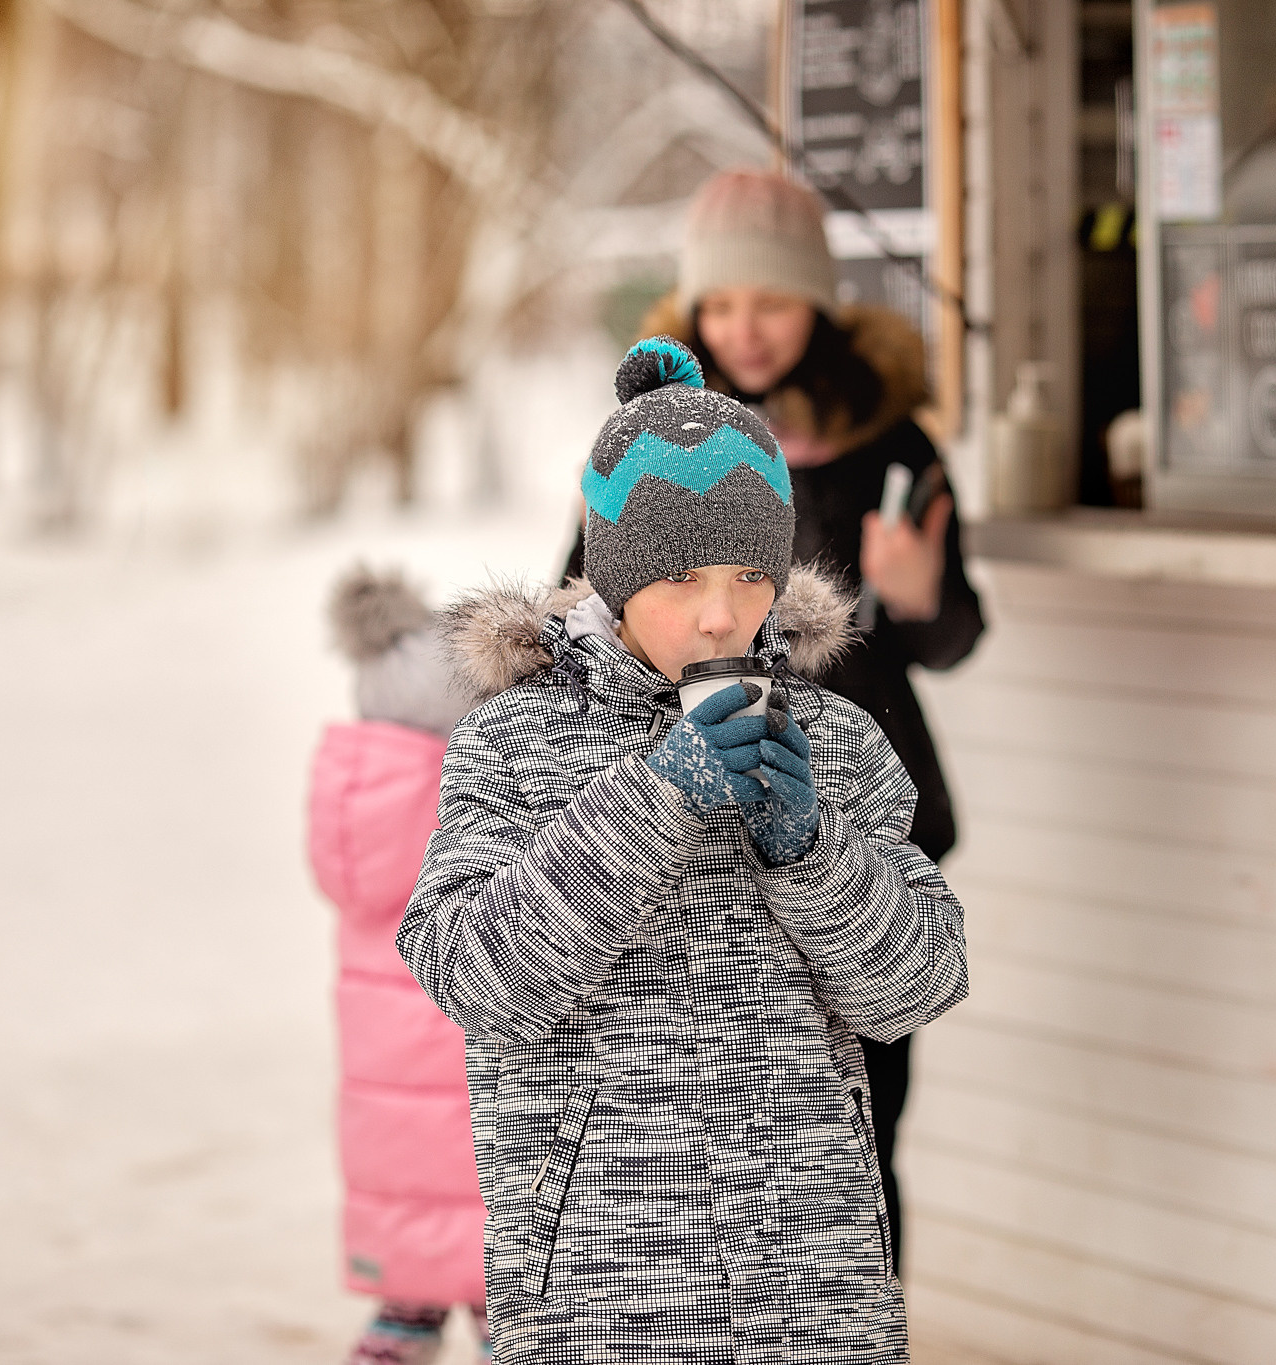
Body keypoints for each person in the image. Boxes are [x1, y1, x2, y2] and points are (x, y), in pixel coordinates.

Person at [400, 337, 969, 1363]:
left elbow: (914, 988)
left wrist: (814, 853)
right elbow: (473, 976)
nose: (720, 612)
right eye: (681, 577)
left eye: (751, 573)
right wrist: (653, 799)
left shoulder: (833, 741)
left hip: (809, 1295)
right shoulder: (511, 742)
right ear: (612, 574)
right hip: (599, 1298)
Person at [562, 168, 985, 1273]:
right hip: (694, 812)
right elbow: (583, 619)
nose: (743, 330)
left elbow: (950, 641)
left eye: (772, 301)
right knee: (699, 1136)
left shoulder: (890, 447)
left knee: (852, 1126)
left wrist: (920, 589)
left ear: (818, 304)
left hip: (853, 813)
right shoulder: (660, 442)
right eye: (721, 303)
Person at [308, 568, 491, 1365]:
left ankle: (402, 1319)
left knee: (406, 1301)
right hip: (469, 1124)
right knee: (499, 1294)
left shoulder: (354, 804)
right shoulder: (462, 798)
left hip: (387, 1132)